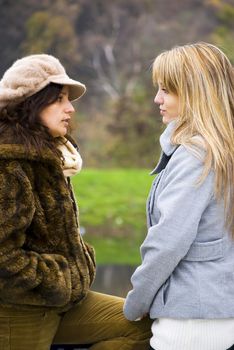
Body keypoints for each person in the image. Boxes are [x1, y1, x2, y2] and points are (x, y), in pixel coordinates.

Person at [0, 54, 152, 350]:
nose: (70, 108)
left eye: (68, 99)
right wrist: (56, 278)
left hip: (61, 301)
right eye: (58, 99)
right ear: (29, 103)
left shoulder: (52, 157)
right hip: (19, 311)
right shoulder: (9, 163)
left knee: (142, 328)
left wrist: (79, 261)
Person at [123, 42, 234, 350]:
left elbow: (167, 243)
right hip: (220, 316)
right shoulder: (223, 152)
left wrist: (135, 304)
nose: (157, 99)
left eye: (167, 90)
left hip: (189, 326)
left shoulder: (196, 155)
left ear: (197, 94)